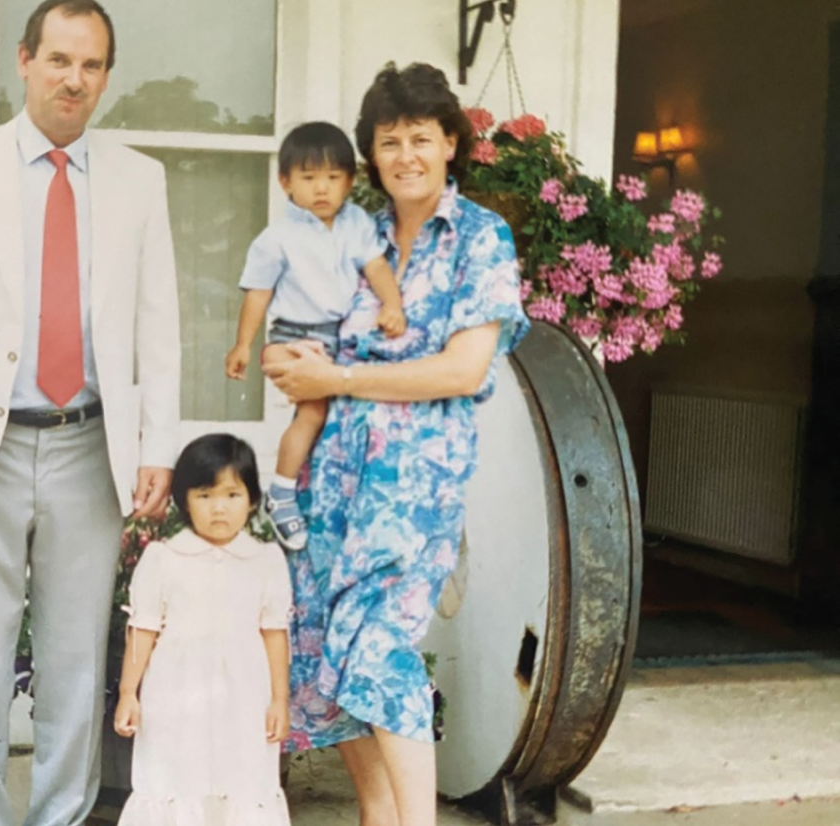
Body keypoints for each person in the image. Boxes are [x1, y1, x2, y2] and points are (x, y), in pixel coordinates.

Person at [0, 1, 180, 823]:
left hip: (91, 450)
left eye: (91, 65)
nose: (73, 79)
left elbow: (159, 323)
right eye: (59, 60)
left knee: (76, 665)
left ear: (107, 76)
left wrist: (157, 445)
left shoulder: (139, 180)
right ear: (24, 61)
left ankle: (60, 817)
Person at [264, 62, 531, 826]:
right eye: (389, 141)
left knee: (380, 646)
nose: (406, 154)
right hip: (329, 479)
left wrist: (340, 377)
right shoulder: (349, 234)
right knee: (323, 645)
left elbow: (462, 368)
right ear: (370, 155)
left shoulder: (481, 237)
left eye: (422, 137)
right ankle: (377, 812)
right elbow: (294, 347)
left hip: (413, 488)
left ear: (451, 143)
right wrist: (294, 363)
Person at [225, 121, 406, 552]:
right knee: (313, 410)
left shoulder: (357, 224)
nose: (321, 189)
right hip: (290, 337)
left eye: (332, 177)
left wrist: (392, 304)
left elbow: (376, 266)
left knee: (328, 414)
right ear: (286, 182)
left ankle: (309, 490)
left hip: (335, 340)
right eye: (308, 178)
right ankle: (281, 492)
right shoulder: (277, 239)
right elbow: (258, 294)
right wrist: (243, 346)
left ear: (351, 180)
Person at [112, 434, 293, 826]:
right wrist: (129, 693)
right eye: (205, 496)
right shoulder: (163, 558)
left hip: (244, 699)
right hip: (174, 697)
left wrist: (279, 699)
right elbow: (143, 630)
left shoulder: (265, 560)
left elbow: (274, 633)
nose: (219, 509)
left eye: (232, 495)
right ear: (183, 500)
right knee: (174, 777)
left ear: (252, 499)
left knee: (242, 779)